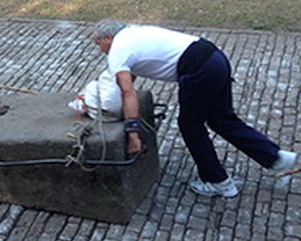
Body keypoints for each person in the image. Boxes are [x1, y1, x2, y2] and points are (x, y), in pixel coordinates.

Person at [92, 19, 297, 198]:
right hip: (215, 58)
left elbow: (128, 93)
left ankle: (219, 182)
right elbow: (127, 82)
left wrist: (132, 134)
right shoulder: (134, 33)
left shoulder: (117, 50)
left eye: (98, 43)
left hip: (198, 72)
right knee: (222, 119)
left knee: (190, 126)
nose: (99, 48)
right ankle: (276, 157)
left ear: (108, 37)